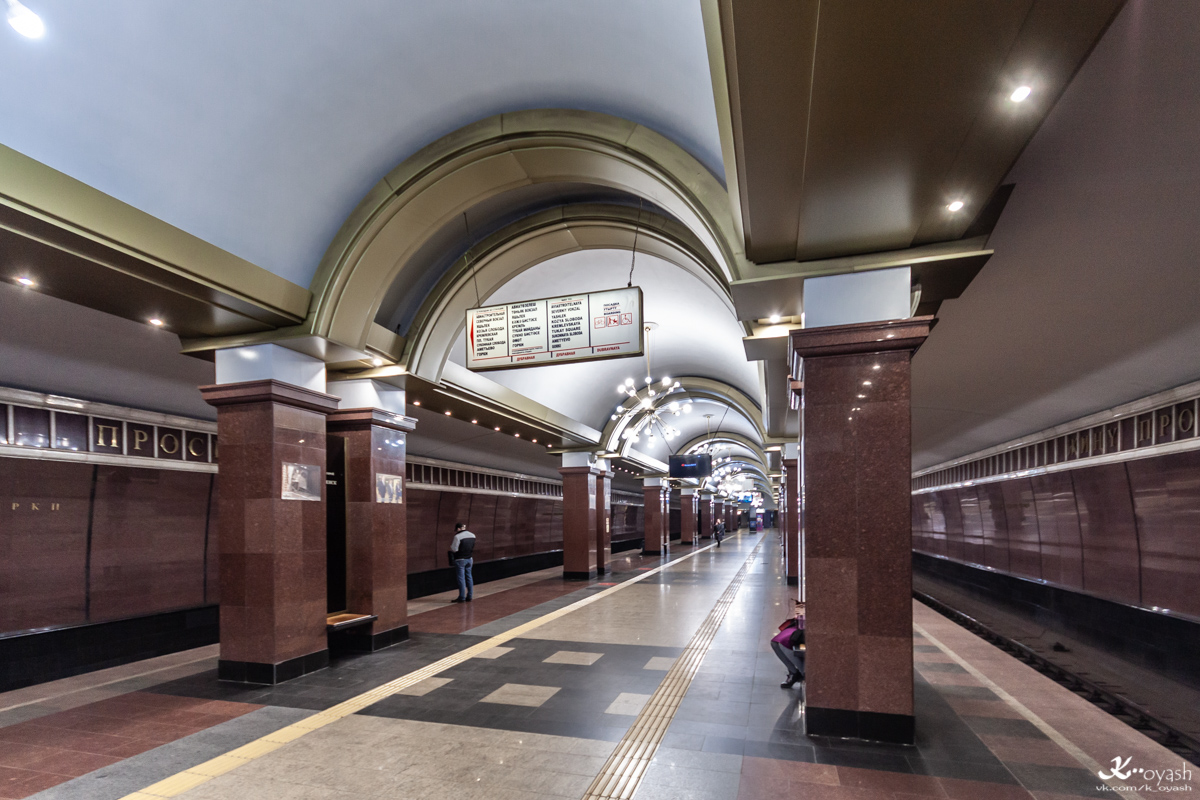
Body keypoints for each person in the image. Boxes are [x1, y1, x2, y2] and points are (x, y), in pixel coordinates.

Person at [771, 601, 806, 687]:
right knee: (774, 642)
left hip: (804, 629)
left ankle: (804, 673)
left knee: (784, 642)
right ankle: (793, 671)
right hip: (800, 624)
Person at [448, 522, 476, 603]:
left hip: (460, 559)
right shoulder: (473, 535)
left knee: (461, 578)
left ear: (458, 529)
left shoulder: (457, 536)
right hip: (470, 559)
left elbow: (454, 549)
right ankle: (470, 596)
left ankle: (462, 597)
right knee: (469, 577)